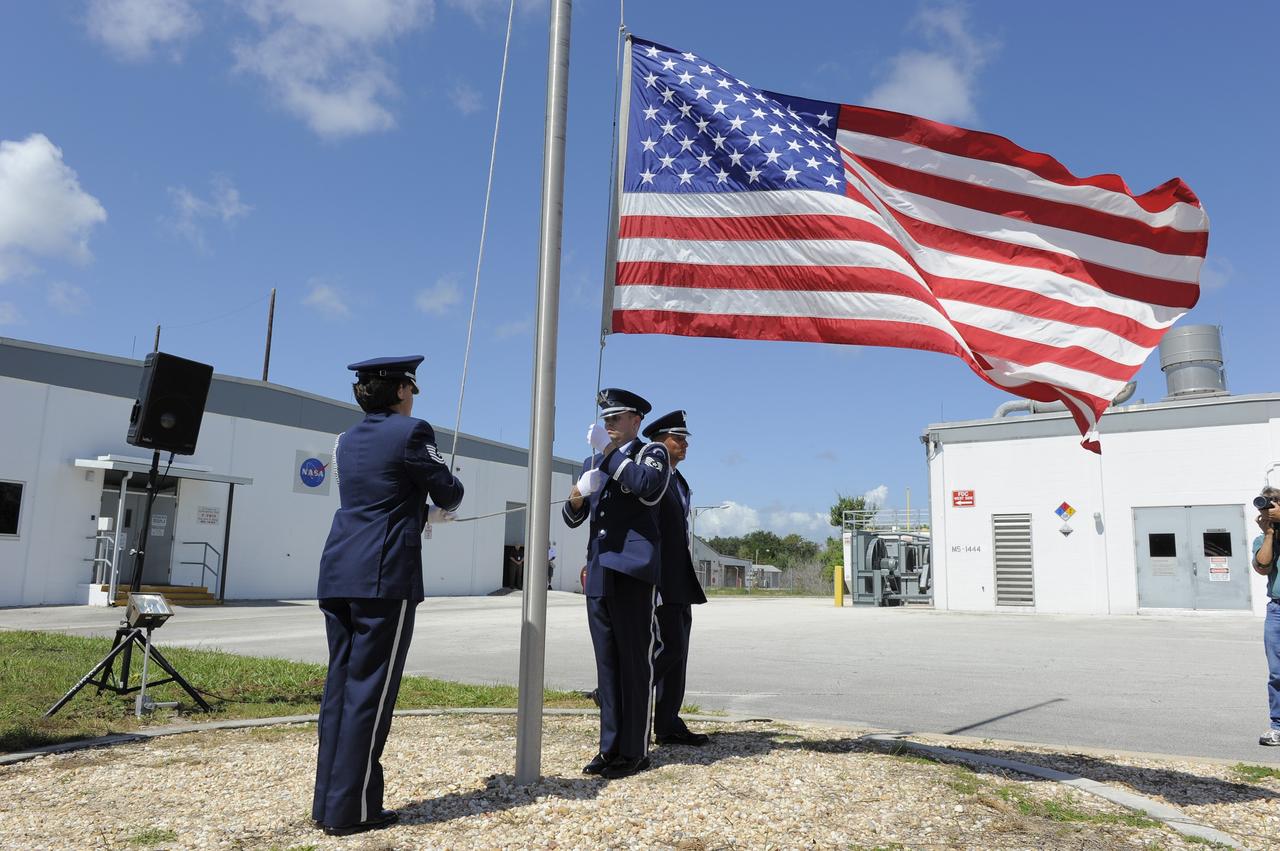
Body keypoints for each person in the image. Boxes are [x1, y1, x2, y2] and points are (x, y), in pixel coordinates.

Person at [312, 355, 464, 835]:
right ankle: (352, 810)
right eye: (411, 389)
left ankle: (329, 802)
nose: (413, 398)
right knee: (371, 694)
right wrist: (435, 506)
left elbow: (375, 496)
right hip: (383, 574)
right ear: (400, 391)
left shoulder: (344, 439)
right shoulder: (414, 432)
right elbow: (450, 492)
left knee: (340, 690)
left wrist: (416, 515)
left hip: (339, 568)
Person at [562, 388, 670, 779]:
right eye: (605, 419)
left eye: (616, 419)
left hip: (632, 571)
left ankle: (635, 750)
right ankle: (609, 748)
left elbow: (648, 488)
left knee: (634, 663)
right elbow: (573, 517)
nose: (608, 425)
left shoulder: (650, 453)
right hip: (600, 571)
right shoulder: (595, 460)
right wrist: (575, 498)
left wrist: (609, 458)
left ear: (635, 421)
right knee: (606, 665)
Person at [642, 410, 710, 747]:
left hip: (678, 575)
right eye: (677, 438)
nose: (684, 444)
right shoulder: (654, 477)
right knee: (668, 646)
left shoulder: (678, 480)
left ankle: (668, 722)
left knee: (679, 650)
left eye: (685, 439)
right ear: (658, 440)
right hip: (660, 575)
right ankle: (625, 689)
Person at [1253, 486, 1280, 746]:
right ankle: (1278, 726)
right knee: (1277, 673)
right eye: (1266, 505)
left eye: (1274, 504)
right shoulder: (1263, 538)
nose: (1269, 509)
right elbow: (1263, 567)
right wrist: (1270, 534)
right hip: (1277, 610)